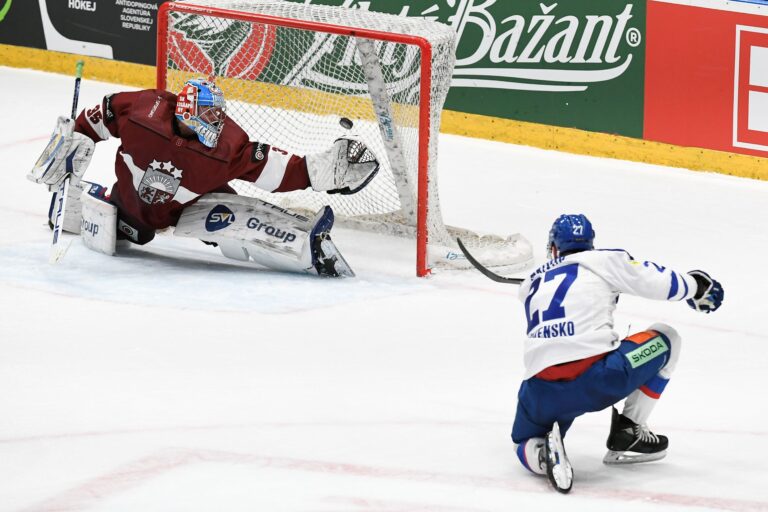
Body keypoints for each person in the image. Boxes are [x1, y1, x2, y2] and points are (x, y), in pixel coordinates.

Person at [28, 78, 381, 277]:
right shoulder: (141, 111)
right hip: (131, 207)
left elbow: (271, 169)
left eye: (217, 112)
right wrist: (70, 141)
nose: (216, 120)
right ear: (185, 113)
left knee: (236, 218)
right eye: (208, 114)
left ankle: (302, 246)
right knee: (128, 229)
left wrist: (315, 171)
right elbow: (97, 118)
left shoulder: (227, 145)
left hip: (193, 207)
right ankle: (73, 205)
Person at [512, 214, 724, 493]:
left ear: (554, 247)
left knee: (522, 443)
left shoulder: (530, 284)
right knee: (667, 337)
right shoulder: (604, 260)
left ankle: (541, 456)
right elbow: (661, 283)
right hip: (598, 378)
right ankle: (628, 432)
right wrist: (697, 286)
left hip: (539, 390)